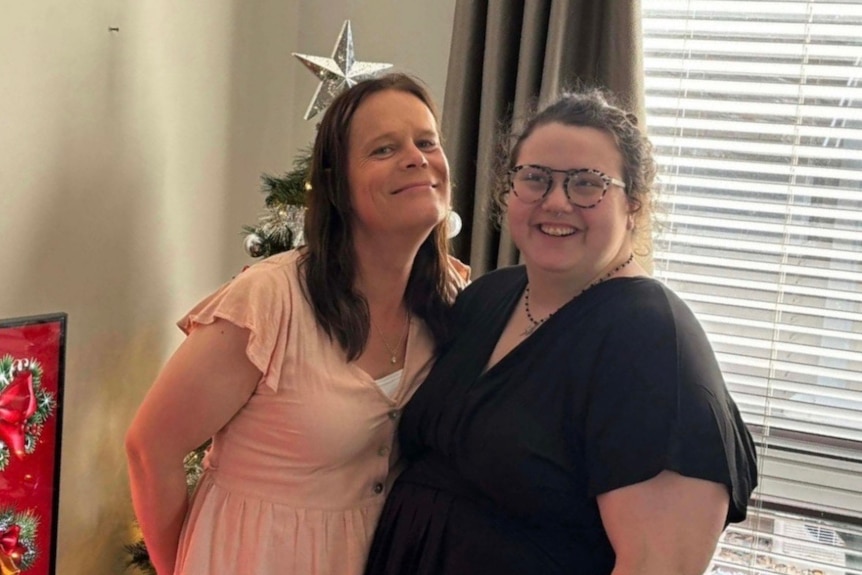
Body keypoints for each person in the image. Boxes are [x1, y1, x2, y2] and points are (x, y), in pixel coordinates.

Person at [363, 88, 758, 575]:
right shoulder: (486, 298)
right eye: (535, 178)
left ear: (633, 205)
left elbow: (658, 565)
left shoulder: (652, 340)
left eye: (587, 184)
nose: (556, 202)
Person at [125, 73, 469, 575]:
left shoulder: (453, 299)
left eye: (427, 142)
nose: (416, 158)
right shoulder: (269, 299)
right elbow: (149, 448)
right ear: (338, 186)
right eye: (383, 149)